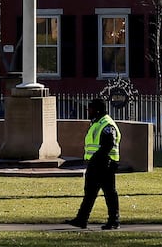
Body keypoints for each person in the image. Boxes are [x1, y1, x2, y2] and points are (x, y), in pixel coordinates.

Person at [66, 98, 121, 230]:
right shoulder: (97, 122)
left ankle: (113, 220)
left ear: (97, 110)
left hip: (104, 163)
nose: (88, 111)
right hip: (96, 163)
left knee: (109, 193)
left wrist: (97, 158)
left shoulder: (107, 124)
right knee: (90, 193)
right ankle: (82, 219)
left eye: (90, 108)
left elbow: (108, 144)